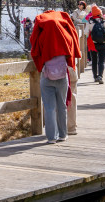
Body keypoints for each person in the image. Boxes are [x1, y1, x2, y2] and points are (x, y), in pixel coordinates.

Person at [29, 10, 80, 143]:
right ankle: (63, 134)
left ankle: (51, 137)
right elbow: (72, 51)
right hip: (63, 76)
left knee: (50, 107)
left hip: (47, 77)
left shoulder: (42, 37)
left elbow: (34, 49)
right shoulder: (66, 36)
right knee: (62, 105)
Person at [86, 5, 105, 83]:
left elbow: (86, 33)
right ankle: (100, 76)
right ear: (100, 13)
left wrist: (88, 38)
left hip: (93, 44)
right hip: (103, 43)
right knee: (101, 61)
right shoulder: (104, 21)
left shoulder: (90, 21)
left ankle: (95, 76)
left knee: (94, 61)